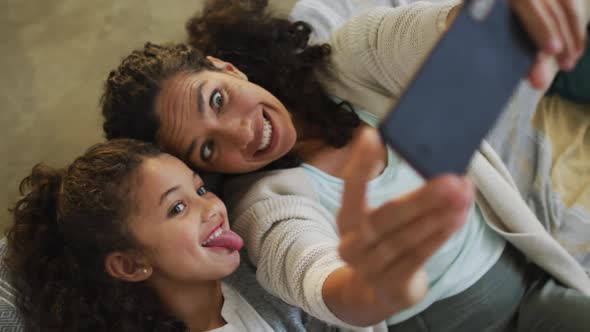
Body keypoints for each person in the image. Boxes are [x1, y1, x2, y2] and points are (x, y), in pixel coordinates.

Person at [100, 0, 590, 330]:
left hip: (533, 287)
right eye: (207, 149)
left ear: (227, 67)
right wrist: (365, 288)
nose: (240, 133)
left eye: (219, 100)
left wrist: (489, 15)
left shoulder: (345, 65)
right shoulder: (263, 202)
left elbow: (417, 34)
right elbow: (309, 271)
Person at [3, 139, 326, 332]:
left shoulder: (266, 278)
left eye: (200, 188)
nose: (211, 208)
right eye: (177, 208)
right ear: (131, 265)